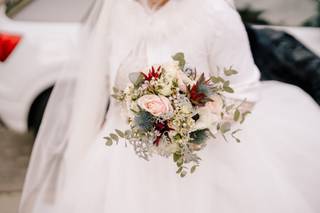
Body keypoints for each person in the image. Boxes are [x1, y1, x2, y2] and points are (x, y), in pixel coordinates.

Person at [20, 0, 320, 212]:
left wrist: (194, 120)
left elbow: (245, 91)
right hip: (123, 163)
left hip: (201, 165)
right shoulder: (115, 13)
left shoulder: (213, 13)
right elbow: (108, 89)